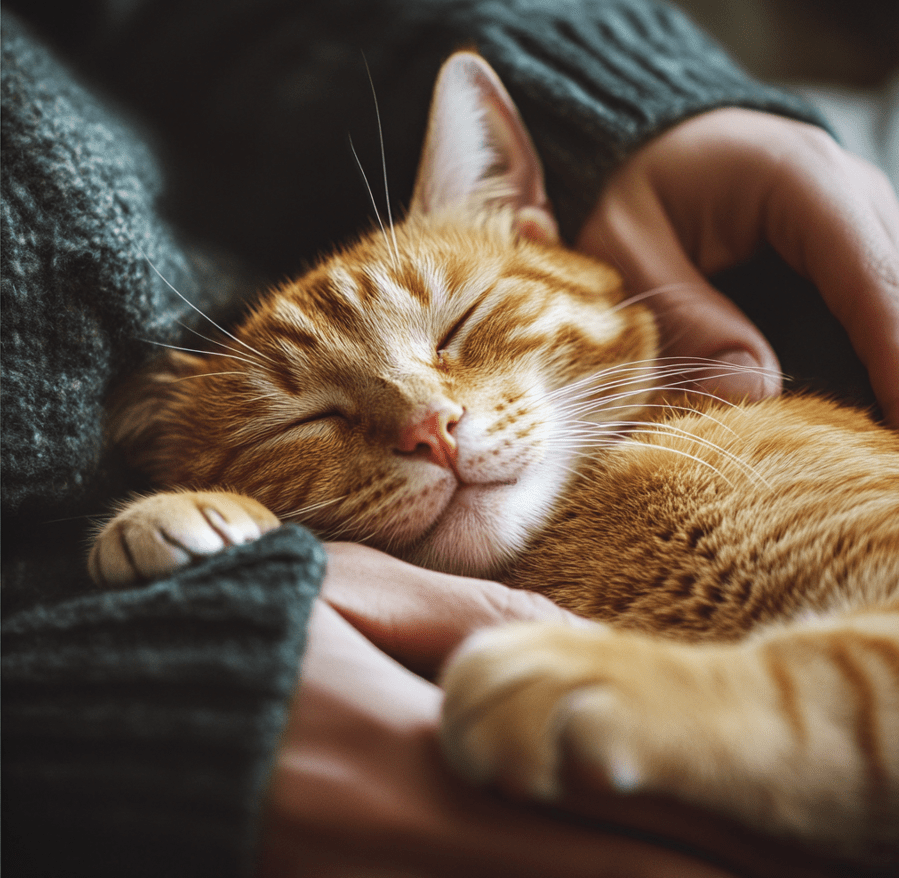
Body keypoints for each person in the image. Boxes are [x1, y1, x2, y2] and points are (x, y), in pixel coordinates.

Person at [3, 1, 897, 876]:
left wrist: (771, 722)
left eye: (464, 323)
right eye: (305, 421)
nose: (422, 421)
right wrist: (204, 564)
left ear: (532, 229)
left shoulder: (740, 451)